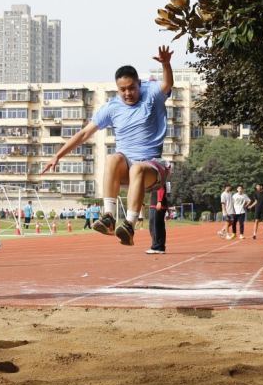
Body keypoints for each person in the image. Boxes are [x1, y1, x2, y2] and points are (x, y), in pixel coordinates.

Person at [43, 46, 174, 246]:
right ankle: (109, 217)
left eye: (132, 88)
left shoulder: (152, 94)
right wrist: (58, 156)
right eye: (123, 89)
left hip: (152, 167)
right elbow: (85, 133)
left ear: (139, 84)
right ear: (117, 88)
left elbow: (167, 84)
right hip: (126, 168)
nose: (128, 93)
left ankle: (129, 226)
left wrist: (166, 63)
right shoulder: (112, 107)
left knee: (138, 168)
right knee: (113, 158)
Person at [147, 183, 168, 254]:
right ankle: (160, 247)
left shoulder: (159, 177)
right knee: (159, 226)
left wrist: (159, 201)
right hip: (157, 205)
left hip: (156, 205)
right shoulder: (156, 178)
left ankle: (156, 247)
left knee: (154, 227)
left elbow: (161, 188)